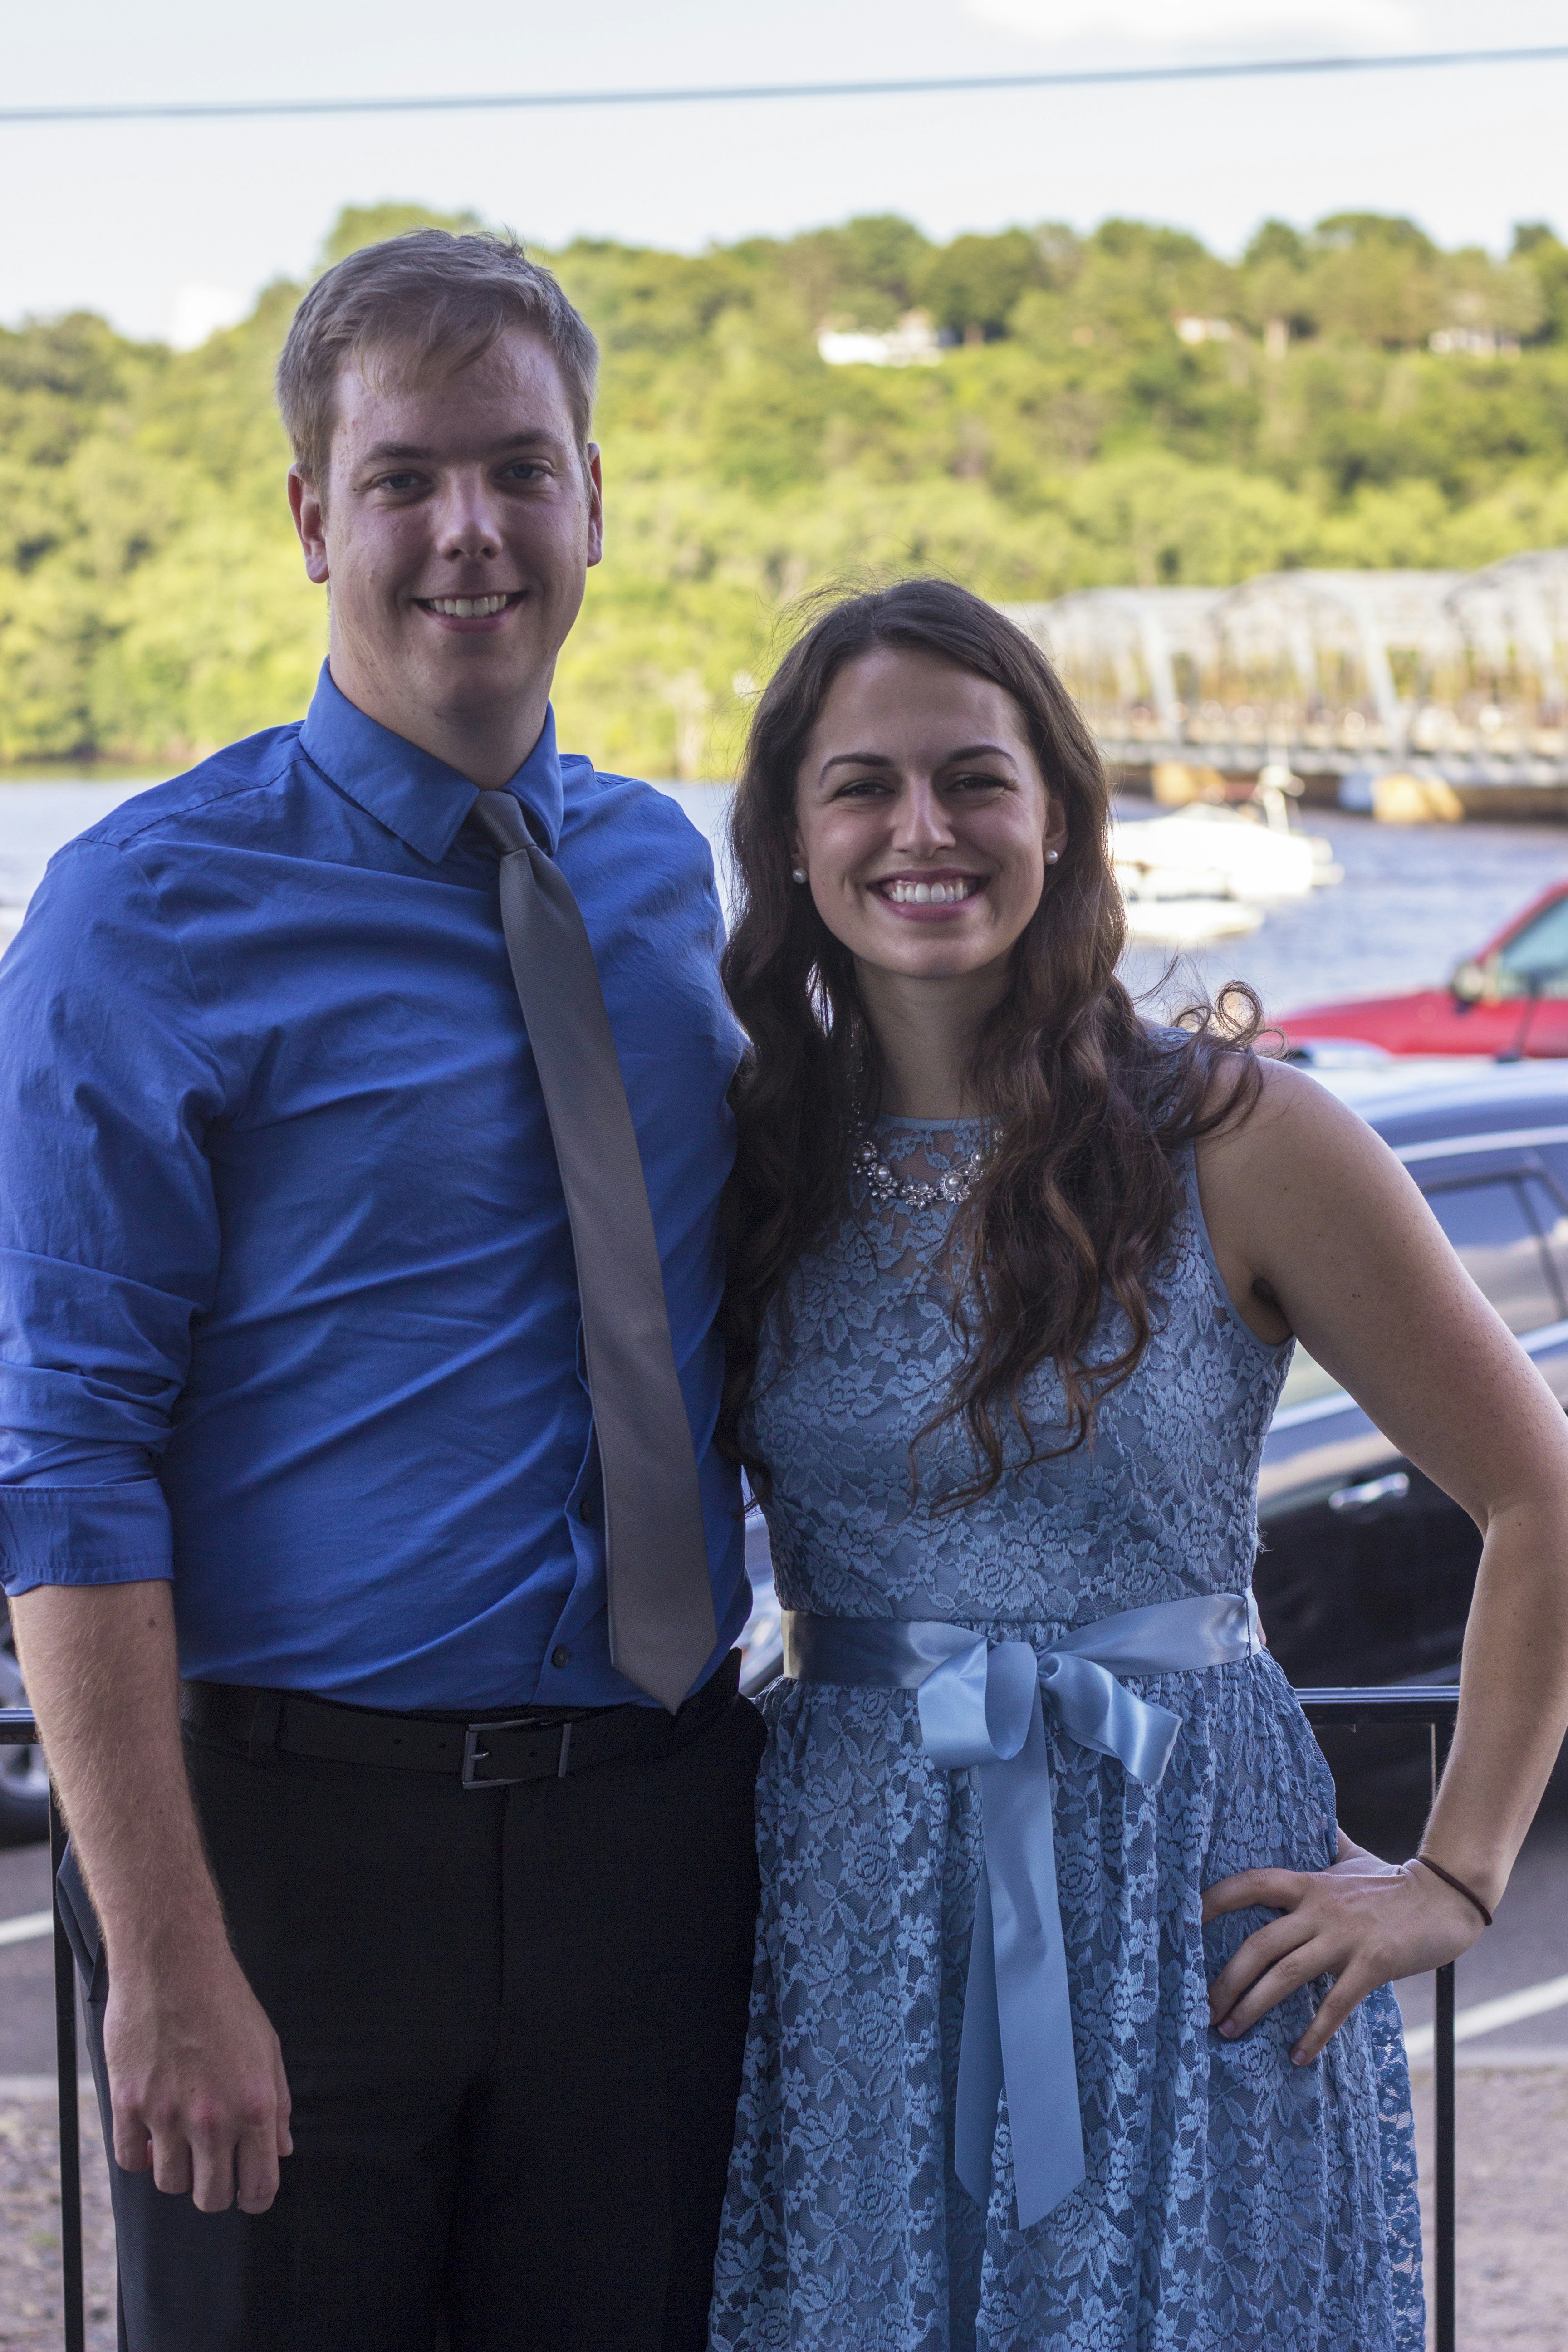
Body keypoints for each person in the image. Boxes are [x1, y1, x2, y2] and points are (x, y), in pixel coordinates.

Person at [0, 230, 763, 2352]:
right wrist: (165, 1957)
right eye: (405, 477)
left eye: (519, 468)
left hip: (656, 1837)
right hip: (290, 1860)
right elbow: (64, 1456)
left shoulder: (661, 873)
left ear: (594, 501)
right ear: (313, 518)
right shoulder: (141, 913)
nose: (469, 530)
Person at [705, 578, 1568, 2352]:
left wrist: (1458, 1877)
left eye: (975, 779)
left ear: (1062, 820)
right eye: (863, 786)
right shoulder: (749, 1156)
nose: (923, 829)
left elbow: (1541, 1494)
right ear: (790, 838)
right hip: (857, 1890)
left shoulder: (1239, 1136)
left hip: (1191, 1896)